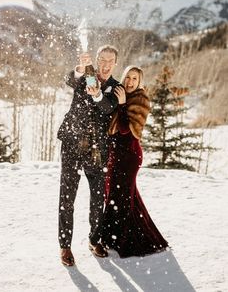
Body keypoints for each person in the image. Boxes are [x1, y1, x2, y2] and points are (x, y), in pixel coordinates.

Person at [57, 45, 120, 266]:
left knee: (97, 197)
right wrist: (79, 69)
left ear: (115, 63)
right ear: (96, 59)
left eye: (110, 61)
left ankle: (94, 240)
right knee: (67, 196)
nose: (105, 64)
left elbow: (108, 109)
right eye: (102, 59)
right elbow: (70, 80)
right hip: (73, 142)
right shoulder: (86, 75)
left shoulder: (116, 88)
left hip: (96, 150)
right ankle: (65, 246)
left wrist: (98, 96)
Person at [102, 65, 169, 258]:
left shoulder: (141, 100)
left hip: (129, 156)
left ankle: (126, 241)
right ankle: (139, 236)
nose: (130, 82)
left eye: (135, 79)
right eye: (128, 78)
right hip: (116, 155)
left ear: (140, 82)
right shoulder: (120, 94)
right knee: (122, 196)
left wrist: (122, 104)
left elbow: (125, 130)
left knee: (121, 198)